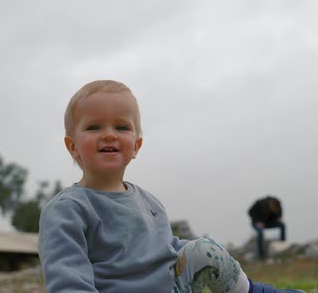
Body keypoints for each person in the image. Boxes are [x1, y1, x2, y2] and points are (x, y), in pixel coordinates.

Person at [39, 80, 304, 293]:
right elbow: (68, 278)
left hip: (174, 288)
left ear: (136, 146)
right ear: (73, 146)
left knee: (204, 249)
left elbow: (165, 247)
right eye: (94, 127)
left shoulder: (148, 202)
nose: (109, 134)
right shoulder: (67, 210)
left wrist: (206, 253)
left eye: (121, 127)